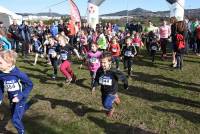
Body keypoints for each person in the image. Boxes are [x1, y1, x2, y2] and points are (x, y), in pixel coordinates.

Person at [0, 50, 33, 134]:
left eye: (0, 63)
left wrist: (19, 96)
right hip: (12, 98)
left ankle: (21, 131)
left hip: (20, 98)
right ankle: (27, 105)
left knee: (15, 119)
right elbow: (1, 86)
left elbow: (30, 84)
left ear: (9, 64)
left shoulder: (18, 74)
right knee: (14, 111)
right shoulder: (1, 74)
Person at [92, 52, 128, 117]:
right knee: (103, 103)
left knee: (106, 104)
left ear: (109, 62)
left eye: (104, 62)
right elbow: (97, 78)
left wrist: (125, 85)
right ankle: (115, 98)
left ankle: (111, 109)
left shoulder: (114, 71)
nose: (102, 64)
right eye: (101, 62)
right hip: (103, 90)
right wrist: (94, 86)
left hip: (112, 91)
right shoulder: (99, 70)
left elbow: (123, 77)